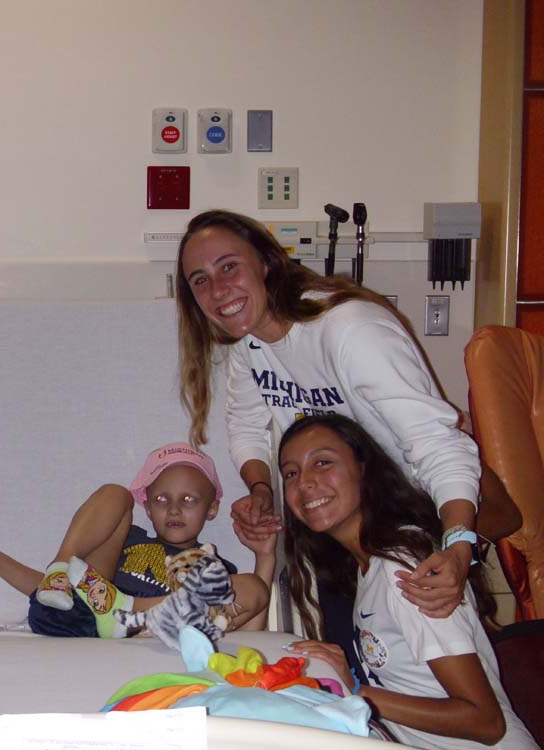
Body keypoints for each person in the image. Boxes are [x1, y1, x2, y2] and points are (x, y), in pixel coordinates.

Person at [174, 209, 520, 636]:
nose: (218, 289)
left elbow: (437, 444)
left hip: (422, 512)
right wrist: (261, 489)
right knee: (352, 654)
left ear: (266, 262)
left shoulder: (349, 331)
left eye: (229, 266)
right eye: (200, 280)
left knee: (431, 656)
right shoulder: (249, 343)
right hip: (353, 524)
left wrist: (458, 546)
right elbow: (245, 425)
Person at [278, 414, 535, 749]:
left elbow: (485, 722)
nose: (305, 482)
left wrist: (355, 690)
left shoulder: (402, 565)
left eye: (323, 462)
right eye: (291, 473)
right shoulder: (367, 567)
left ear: (363, 468)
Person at [0, 443, 275, 637]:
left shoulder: (214, 567)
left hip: (146, 630)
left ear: (212, 508)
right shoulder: (127, 539)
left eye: (189, 500)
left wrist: (265, 556)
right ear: (148, 507)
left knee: (250, 588)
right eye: (161, 499)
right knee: (116, 494)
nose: (174, 509)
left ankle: (133, 615)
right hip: (84, 612)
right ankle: (60, 569)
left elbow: (253, 630)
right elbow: (42, 591)